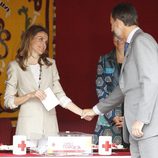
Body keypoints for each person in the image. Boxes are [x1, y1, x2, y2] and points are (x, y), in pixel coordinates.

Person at [82, 2, 158, 158]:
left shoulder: (142, 40)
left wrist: (142, 119)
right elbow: (123, 88)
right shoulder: (132, 45)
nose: (111, 29)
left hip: (147, 128)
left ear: (118, 22)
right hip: (137, 130)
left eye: (111, 24)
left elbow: (152, 80)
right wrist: (95, 110)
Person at [4, 25, 85, 144]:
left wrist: (82, 112)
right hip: (27, 128)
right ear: (30, 39)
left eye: (46, 41)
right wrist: (29, 95)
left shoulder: (51, 64)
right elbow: (8, 102)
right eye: (40, 39)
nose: (44, 44)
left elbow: (60, 96)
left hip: (50, 127)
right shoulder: (15, 66)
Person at [93, 35, 124, 145]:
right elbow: (100, 88)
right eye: (116, 36)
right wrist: (112, 115)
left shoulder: (137, 59)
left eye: (122, 36)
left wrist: (130, 117)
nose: (119, 39)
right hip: (109, 110)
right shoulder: (105, 59)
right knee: (107, 150)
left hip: (132, 111)